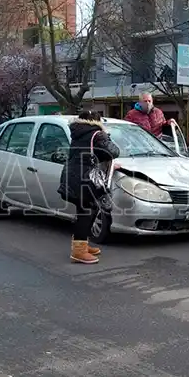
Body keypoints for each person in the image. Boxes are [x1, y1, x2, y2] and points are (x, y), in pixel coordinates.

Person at [58, 110, 120, 264]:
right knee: (87, 211)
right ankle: (79, 251)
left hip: (73, 175)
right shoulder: (96, 134)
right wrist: (107, 135)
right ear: (97, 121)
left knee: (85, 210)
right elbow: (113, 151)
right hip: (85, 178)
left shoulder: (78, 132)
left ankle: (82, 244)